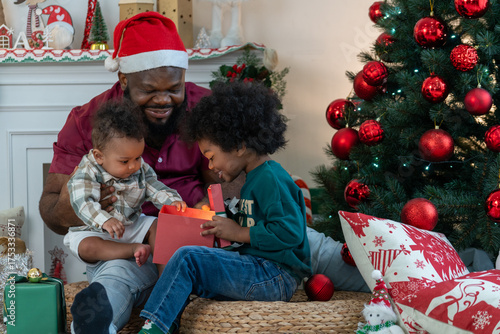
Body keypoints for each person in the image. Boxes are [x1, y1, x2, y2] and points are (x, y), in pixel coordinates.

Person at [39, 12, 222, 334]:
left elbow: (230, 183)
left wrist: (219, 205)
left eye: (174, 88)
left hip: (195, 238)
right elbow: (52, 213)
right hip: (123, 244)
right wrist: (85, 199)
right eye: (149, 90)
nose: (164, 100)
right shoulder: (87, 122)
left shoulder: (205, 109)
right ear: (124, 79)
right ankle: (96, 321)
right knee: (117, 275)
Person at [137, 80, 312, 334]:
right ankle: (166, 325)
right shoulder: (255, 178)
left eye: (211, 156)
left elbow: (290, 232)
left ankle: (152, 328)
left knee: (188, 258)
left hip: (275, 276)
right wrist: (223, 217)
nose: (210, 166)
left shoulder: (270, 178)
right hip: (261, 269)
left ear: (239, 146)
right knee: (189, 267)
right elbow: (255, 221)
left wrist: (237, 233)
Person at [64, 99, 186, 271]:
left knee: (158, 226)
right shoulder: (87, 171)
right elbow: (83, 202)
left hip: (130, 225)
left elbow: (154, 186)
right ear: (99, 156)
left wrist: (172, 201)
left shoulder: (139, 168)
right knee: (87, 247)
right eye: (125, 161)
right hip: (96, 230)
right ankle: (131, 250)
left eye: (137, 158)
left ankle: (165, 279)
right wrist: (104, 220)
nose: (134, 166)